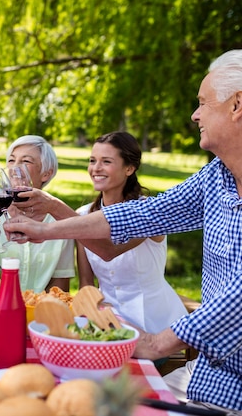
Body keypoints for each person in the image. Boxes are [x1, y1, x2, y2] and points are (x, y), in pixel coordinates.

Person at [3, 49, 242, 414]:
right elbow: (143, 214)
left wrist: (153, 343)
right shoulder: (218, 175)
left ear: (237, 105)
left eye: (202, 103)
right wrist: (44, 230)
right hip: (206, 376)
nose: (195, 114)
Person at [76, 132, 186, 334]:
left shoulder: (149, 214)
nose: (96, 168)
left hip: (156, 326)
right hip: (106, 323)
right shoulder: (82, 216)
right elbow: (86, 283)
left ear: (129, 168)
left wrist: (54, 208)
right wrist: (95, 311)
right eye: (92, 160)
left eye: (106, 161)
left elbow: (109, 250)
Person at [0, 135, 75, 293]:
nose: (14, 168)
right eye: (11, 160)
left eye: (26, 161)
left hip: (38, 312)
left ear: (46, 173)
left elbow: (59, 287)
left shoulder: (60, 221)